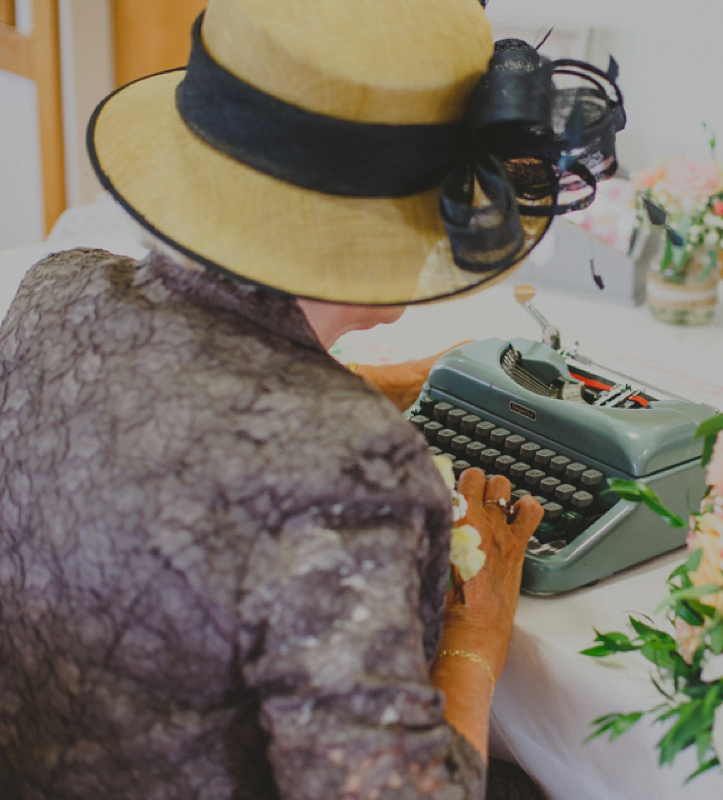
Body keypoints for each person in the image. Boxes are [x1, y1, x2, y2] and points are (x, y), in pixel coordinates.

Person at [0, 1, 624, 798]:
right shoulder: (351, 467)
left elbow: (176, 413)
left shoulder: (58, 289)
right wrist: (478, 632)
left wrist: (385, 384)